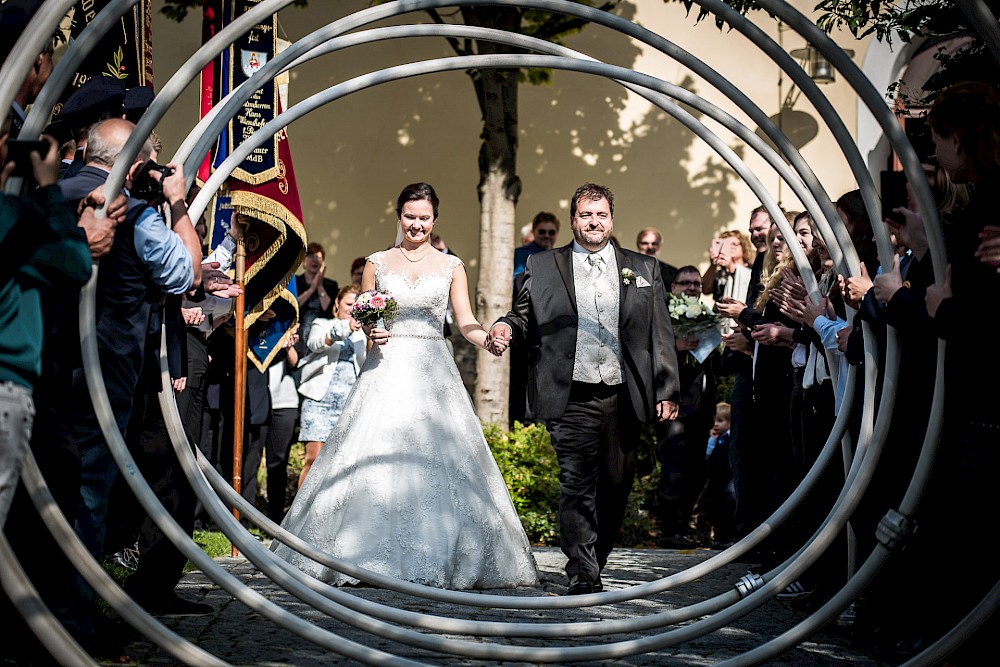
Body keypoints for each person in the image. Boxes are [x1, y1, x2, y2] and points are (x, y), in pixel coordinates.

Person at [272, 183, 538, 590]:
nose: (417, 225)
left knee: (440, 456)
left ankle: (446, 553)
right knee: (375, 450)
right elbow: (364, 312)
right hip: (386, 365)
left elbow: (463, 320)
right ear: (399, 216)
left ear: (435, 220)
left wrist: (486, 338)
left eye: (425, 218)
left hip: (434, 368)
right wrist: (372, 328)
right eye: (410, 217)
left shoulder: (451, 266)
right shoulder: (377, 262)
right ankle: (356, 552)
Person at [488, 182, 681, 595]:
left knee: (615, 484)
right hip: (570, 391)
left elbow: (659, 334)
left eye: (601, 215)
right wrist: (505, 327)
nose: (594, 222)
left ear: (612, 219)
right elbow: (523, 314)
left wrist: (667, 389)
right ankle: (582, 572)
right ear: (573, 219)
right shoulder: (542, 266)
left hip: (624, 393)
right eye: (585, 215)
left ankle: (597, 557)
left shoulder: (643, 269)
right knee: (576, 483)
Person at [656, 265, 721, 548]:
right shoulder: (662, 317)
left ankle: (684, 525)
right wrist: (675, 344)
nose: (692, 288)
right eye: (685, 283)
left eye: (696, 283)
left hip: (703, 404)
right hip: (674, 403)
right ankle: (669, 530)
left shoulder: (706, 317)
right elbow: (650, 349)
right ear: (674, 288)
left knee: (696, 469)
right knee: (673, 467)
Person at [295, 283, 366, 488]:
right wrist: (344, 328)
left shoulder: (364, 334)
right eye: (349, 303)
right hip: (320, 402)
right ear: (337, 302)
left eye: (357, 305)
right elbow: (315, 344)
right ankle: (301, 517)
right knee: (313, 461)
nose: (352, 309)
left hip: (349, 405)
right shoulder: (322, 323)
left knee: (343, 466)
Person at [295, 241, 338, 350]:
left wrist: (319, 285)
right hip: (299, 330)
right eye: (311, 257)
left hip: (320, 332)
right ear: (304, 261)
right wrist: (311, 289)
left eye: (318, 258)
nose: (315, 261)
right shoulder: (295, 282)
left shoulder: (331, 285)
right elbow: (295, 305)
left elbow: (328, 309)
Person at [512, 211, 560, 281]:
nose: (547, 236)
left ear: (557, 234)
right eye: (542, 232)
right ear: (533, 232)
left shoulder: (560, 258)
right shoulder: (519, 254)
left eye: (551, 232)